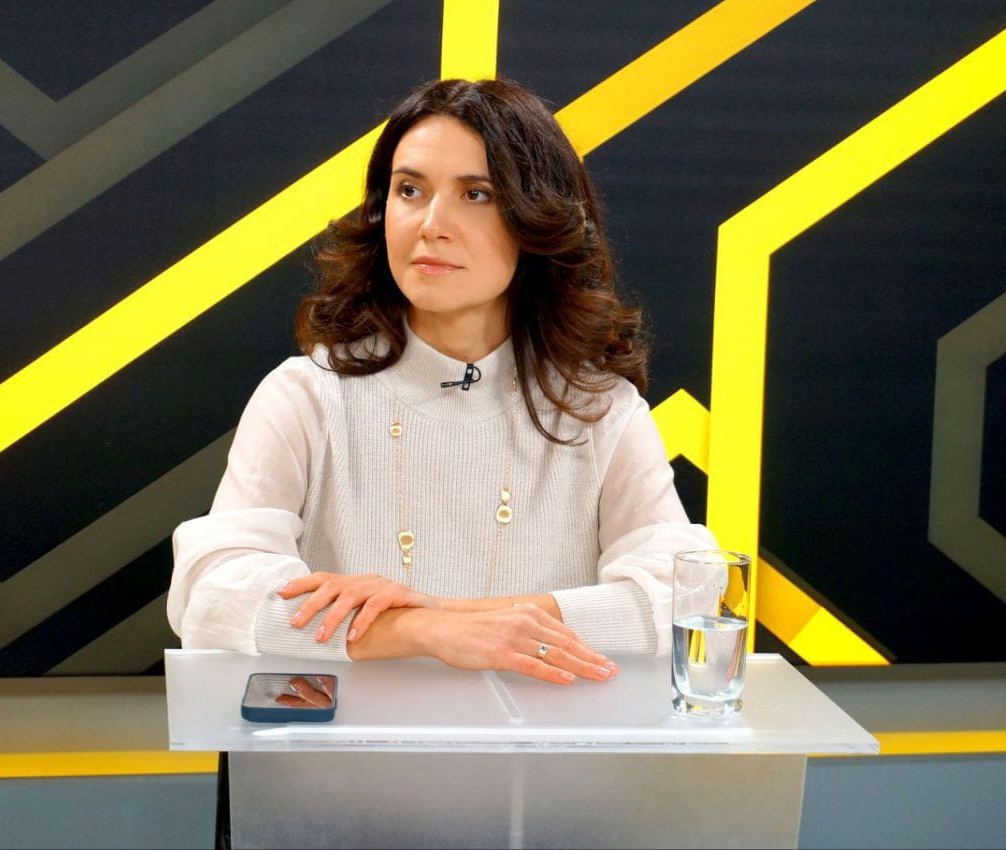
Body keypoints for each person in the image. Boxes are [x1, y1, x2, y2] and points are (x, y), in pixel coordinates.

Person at [167, 78, 718, 686]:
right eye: (410, 190)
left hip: (541, 742)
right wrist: (418, 630)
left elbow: (684, 592)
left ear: (537, 218)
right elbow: (213, 591)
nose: (431, 224)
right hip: (354, 742)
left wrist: (454, 616)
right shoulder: (306, 396)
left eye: (476, 194)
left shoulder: (599, 409)